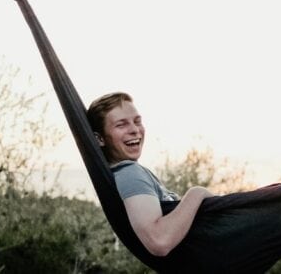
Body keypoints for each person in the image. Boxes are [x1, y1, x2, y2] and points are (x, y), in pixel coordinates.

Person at [86, 92, 214, 257]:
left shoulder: (126, 173)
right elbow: (158, 241)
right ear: (100, 139)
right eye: (121, 124)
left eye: (137, 121)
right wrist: (197, 193)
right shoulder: (130, 173)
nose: (134, 130)